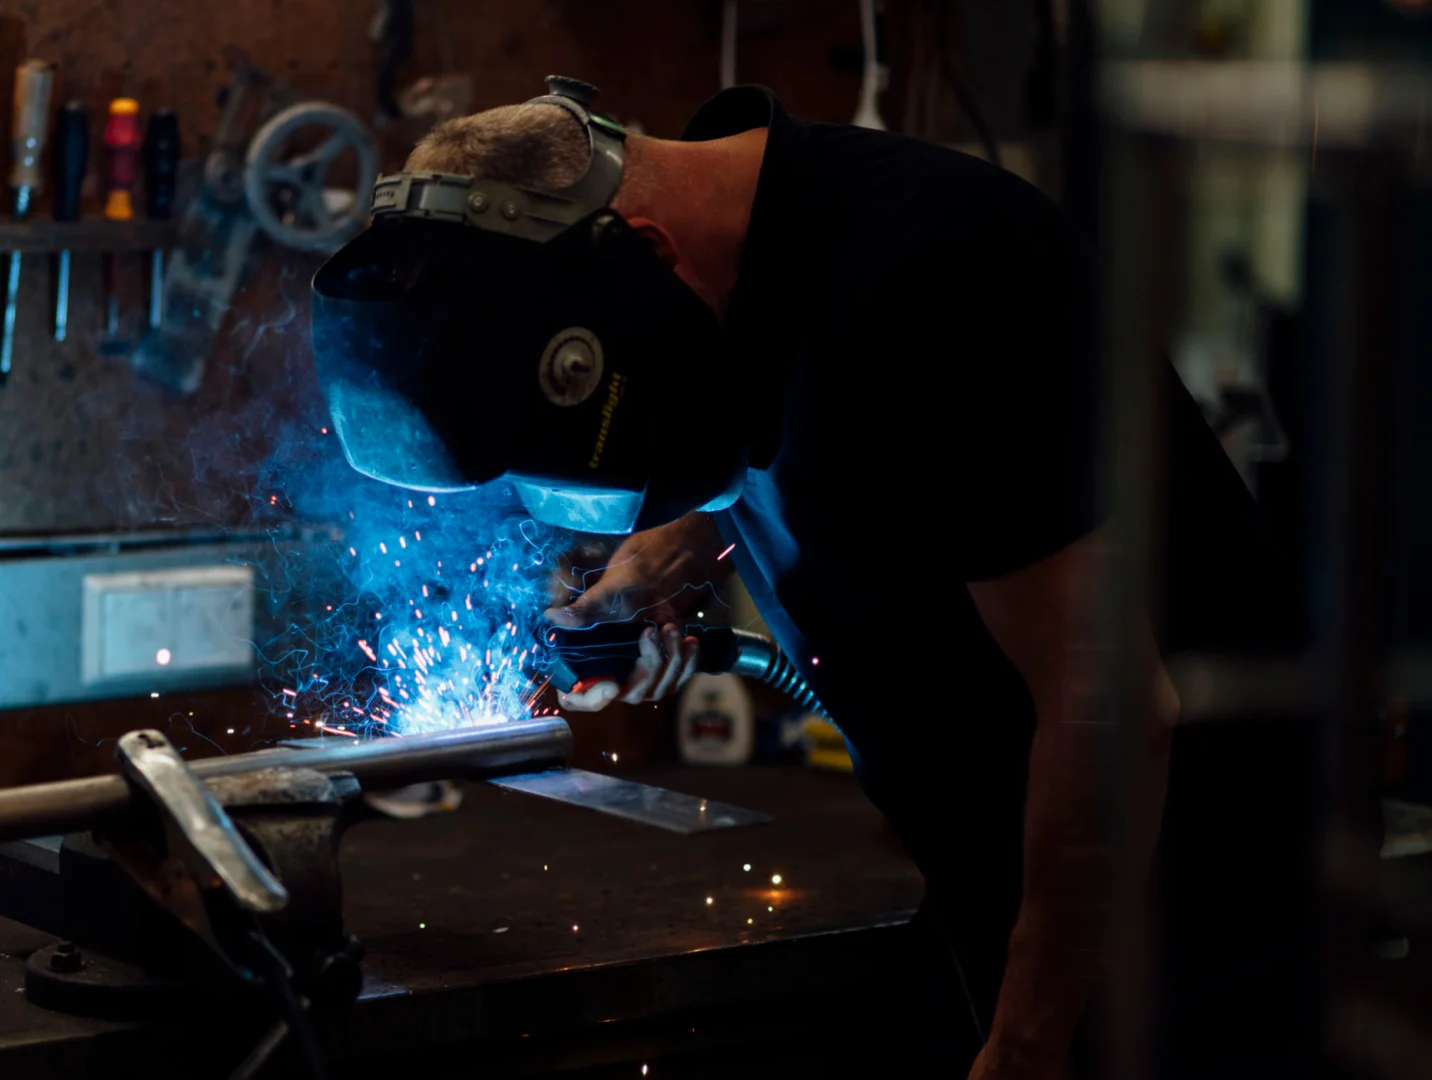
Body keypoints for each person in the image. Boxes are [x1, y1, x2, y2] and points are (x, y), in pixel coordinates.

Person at [313, 80, 1315, 1079]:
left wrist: (1028, 1044)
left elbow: (1110, 705)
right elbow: (752, 427)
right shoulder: (730, 261)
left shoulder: (936, 272)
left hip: (1171, 911)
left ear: (645, 253)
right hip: (990, 874)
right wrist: (661, 557)